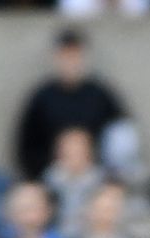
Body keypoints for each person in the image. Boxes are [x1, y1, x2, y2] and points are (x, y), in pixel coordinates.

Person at [15, 29, 131, 184]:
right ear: (55, 58)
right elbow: (27, 146)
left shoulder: (101, 95)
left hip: (96, 175)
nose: (71, 62)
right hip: (54, 177)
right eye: (65, 56)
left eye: (75, 56)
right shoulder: (42, 97)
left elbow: (121, 135)